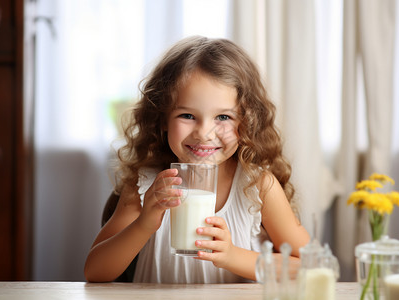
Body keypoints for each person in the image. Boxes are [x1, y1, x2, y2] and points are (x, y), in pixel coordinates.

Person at [84, 36, 310, 283]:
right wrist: (144, 224)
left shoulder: (258, 187)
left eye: (223, 117)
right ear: (162, 119)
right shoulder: (146, 184)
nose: (204, 133)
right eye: (188, 115)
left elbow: (309, 265)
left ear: (248, 122)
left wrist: (232, 255)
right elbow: (95, 271)